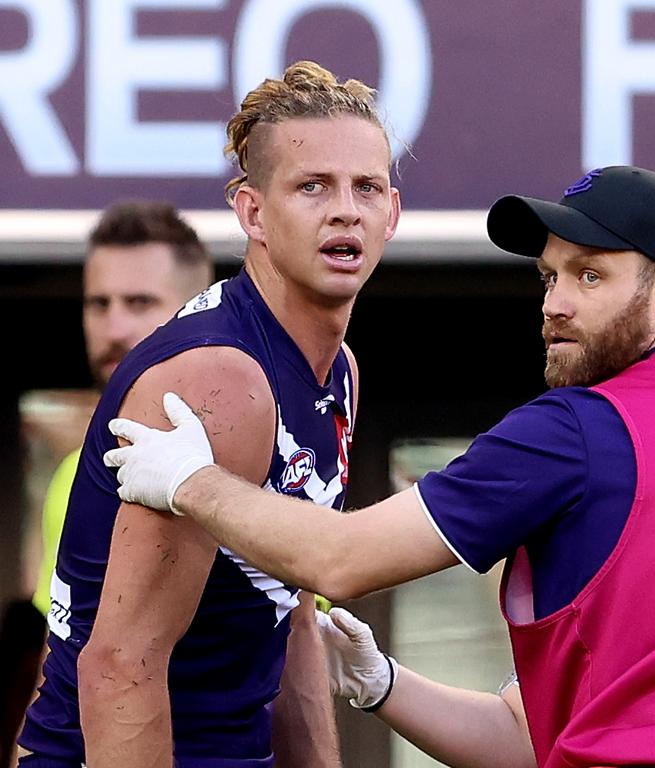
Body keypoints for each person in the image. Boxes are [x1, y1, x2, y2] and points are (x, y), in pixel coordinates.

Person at [106, 166, 655, 766]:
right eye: (550, 276)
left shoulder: (581, 430)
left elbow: (338, 559)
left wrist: (191, 480)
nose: (556, 302)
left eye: (591, 276)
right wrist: (382, 682)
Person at [18, 60, 400, 767]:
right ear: (252, 212)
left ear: (392, 213)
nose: (345, 208)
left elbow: (292, 619)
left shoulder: (338, 372)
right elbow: (120, 666)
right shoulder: (222, 380)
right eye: (312, 185)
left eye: (366, 187)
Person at [32, 201, 215, 620]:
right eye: (99, 304)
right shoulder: (74, 472)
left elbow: (297, 640)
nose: (113, 329)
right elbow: (61, 645)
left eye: (139, 303)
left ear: (195, 311)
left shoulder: (259, 450)